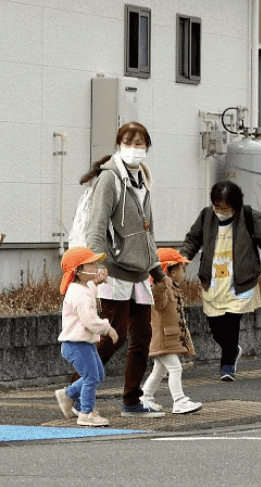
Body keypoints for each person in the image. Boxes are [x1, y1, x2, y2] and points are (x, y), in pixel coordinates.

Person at [80, 121, 166, 418]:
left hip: (140, 274)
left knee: (142, 339)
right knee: (112, 337)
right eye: (130, 142)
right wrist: (95, 265)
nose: (135, 147)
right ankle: (75, 390)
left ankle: (131, 401)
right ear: (119, 145)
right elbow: (96, 225)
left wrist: (158, 272)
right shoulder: (110, 179)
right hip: (113, 272)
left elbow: (147, 232)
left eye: (141, 142)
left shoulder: (143, 180)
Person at [179, 180, 261, 381]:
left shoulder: (248, 216)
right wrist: (183, 259)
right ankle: (233, 350)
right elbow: (193, 240)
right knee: (215, 327)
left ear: (235, 205)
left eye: (225, 208)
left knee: (231, 322)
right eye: (216, 206)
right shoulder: (206, 216)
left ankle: (227, 365)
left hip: (240, 281)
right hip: (213, 281)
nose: (220, 211)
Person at [55, 247, 119, 427]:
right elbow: (90, 321)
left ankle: (68, 395)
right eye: (91, 263)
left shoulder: (82, 286)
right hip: (76, 344)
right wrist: (108, 329)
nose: (96, 265)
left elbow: (91, 289)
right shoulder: (78, 293)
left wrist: (98, 282)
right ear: (78, 270)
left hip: (83, 343)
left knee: (98, 375)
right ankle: (86, 413)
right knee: (91, 377)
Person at [140, 248, 202, 415]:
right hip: (163, 339)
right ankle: (179, 400)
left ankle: (145, 396)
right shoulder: (160, 288)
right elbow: (158, 302)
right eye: (182, 269)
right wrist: (161, 280)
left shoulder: (170, 288)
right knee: (175, 368)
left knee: (159, 370)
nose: (184, 272)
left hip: (166, 339)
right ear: (172, 271)